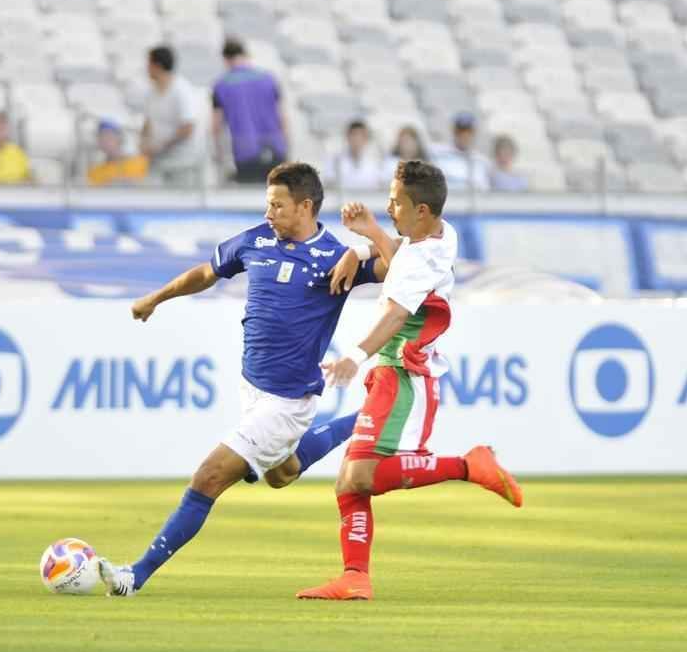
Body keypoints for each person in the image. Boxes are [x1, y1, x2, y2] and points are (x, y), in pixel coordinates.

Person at [99, 162, 390, 597]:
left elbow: (402, 264)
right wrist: (156, 298)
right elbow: (205, 272)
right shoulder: (255, 240)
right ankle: (362, 419)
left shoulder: (334, 258)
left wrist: (365, 246)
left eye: (277, 205)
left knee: (208, 477)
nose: (269, 213)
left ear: (305, 206)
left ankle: (135, 575)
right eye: (268, 204)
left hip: (286, 402)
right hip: (252, 390)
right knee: (281, 473)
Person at [296, 160, 523, 601]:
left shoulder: (421, 259)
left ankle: (468, 465)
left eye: (396, 202)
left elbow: (397, 310)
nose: (388, 207)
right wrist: (362, 246)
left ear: (422, 210)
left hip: (404, 376)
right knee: (349, 481)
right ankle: (354, 577)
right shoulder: (440, 234)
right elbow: (402, 254)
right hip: (390, 374)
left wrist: (354, 357)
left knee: (360, 477)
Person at [212, 38, 288, 184]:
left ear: (225, 59)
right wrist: (286, 146)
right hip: (275, 148)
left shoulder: (222, 85)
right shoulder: (269, 78)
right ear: (245, 54)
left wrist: (220, 157)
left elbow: (216, 126)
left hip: (245, 151)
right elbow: (282, 117)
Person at [141, 46, 202, 187]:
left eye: (149, 64)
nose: (146, 68)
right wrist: (144, 142)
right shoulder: (151, 92)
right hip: (157, 161)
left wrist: (161, 146)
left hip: (181, 163)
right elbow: (148, 122)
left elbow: (188, 127)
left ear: (157, 65)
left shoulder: (181, 90)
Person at [431, 112, 492, 193]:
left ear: (474, 133)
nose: (464, 135)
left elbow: (485, 190)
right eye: (460, 131)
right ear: (453, 131)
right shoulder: (439, 155)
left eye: (469, 132)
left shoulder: (481, 162)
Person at [324, 119, 386, 190]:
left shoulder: (376, 163)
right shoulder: (335, 160)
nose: (357, 139)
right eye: (354, 135)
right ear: (347, 137)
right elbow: (329, 185)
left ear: (366, 139)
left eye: (361, 136)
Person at [87, 119, 149, 185]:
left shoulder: (140, 163)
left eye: (109, 136)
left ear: (120, 138)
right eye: (101, 137)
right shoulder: (95, 172)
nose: (105, 141)